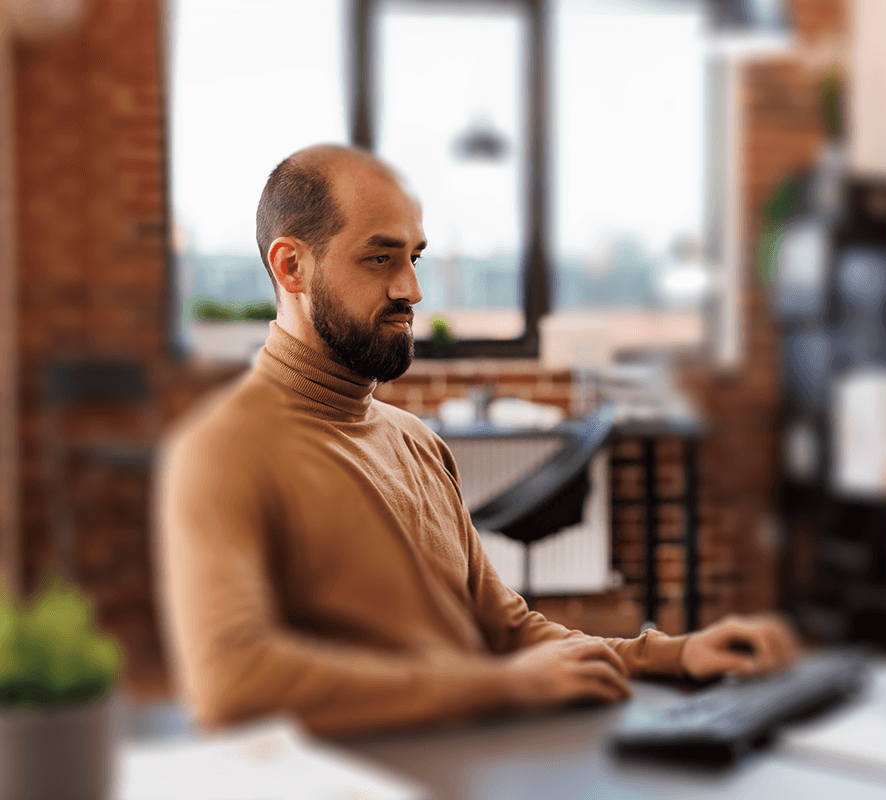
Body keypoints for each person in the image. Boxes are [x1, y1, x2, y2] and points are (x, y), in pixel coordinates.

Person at [158, 144, 801, 736]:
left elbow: (509, 632)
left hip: (469, 761)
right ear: (292, 266)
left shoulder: (415, 442)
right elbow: (231, 685)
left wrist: (676, 654)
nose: (410, 289)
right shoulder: (221, 452)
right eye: (380, 257)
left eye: (415, 257)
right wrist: (498, 689)